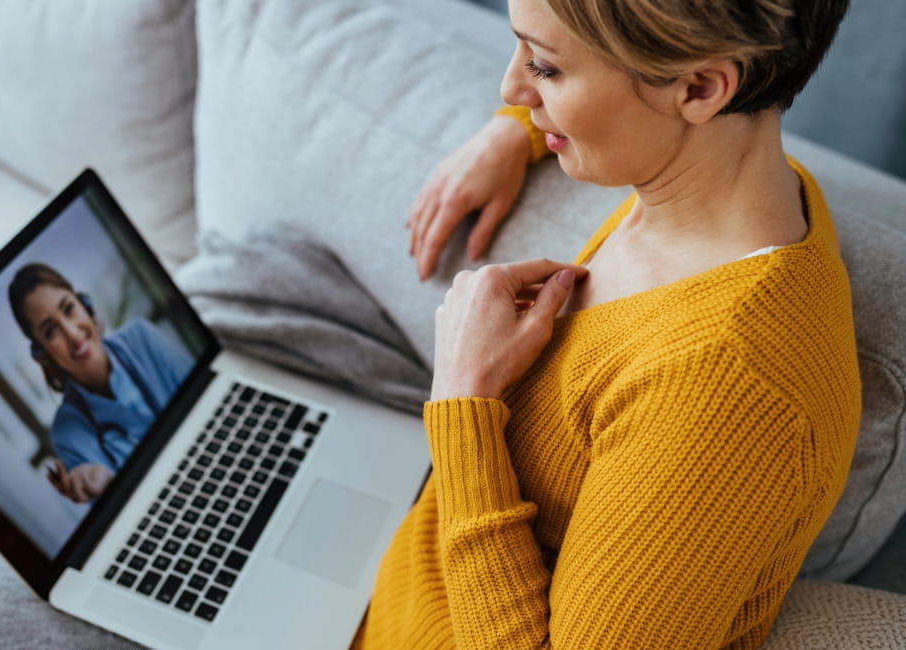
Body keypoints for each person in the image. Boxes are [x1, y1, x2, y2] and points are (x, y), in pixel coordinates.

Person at [357, 0, 860, 648]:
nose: (511, 87)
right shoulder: (732, 182)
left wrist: (463, 402)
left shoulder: (727, 390)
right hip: (376, 596)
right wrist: (517, 130)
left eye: (543, 67)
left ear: (701, 88)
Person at [8, 263, 194, 504]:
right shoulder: (68, 434)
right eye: (51, 331)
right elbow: (126, 513)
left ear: (85, 306)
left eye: (69, 309)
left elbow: (206, 401)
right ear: (42, 353)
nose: (73, 335)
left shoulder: (142, 338)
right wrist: (108, 483)